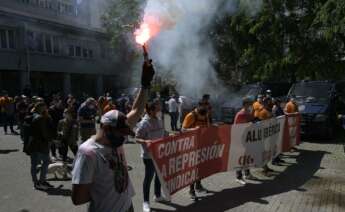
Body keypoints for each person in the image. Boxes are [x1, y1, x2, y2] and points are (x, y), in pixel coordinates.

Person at [71, 60, 155, 212]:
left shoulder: (115, 134)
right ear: (106, 128)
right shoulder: (88, 153)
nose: (123, 137)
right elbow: (78, 199)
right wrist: (104, 189)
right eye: (121, 133)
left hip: (127, 207)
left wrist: (145, 84)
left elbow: (136, 109)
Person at [135, 99, 168, 212]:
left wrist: (173, 134)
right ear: (150, 110)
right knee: (149, 178)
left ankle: (157, 196)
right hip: (149, 156)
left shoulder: (159, 119)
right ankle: (145, 202)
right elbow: (136, 138)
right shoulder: (144, 123)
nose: (159, 110)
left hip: (160, 153)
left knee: (159, 175)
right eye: (157, 108)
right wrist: (146, 142)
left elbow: (163, 133)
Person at [182, 103, 210, 200]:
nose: (203, 119)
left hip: (201, 145)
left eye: (204, 117)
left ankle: (198, 186)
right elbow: (183, 130)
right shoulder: (190, 116)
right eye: (201, 118)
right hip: (191, 145)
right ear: (197, 113)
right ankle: (191, 190)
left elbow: (207, 127)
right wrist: (194, 129)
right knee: (192, 169)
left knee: (200, 167)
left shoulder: (205, 115)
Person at [28, 102, 54, 190]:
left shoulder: (30, 116)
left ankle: (36, 183)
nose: (46, 108)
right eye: (45, 107)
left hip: (31, 143)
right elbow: (44, 133)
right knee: (46, 161)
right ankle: (42, 181)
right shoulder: (40, 118)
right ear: (41, 108)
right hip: (41, 144)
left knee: (34, 164)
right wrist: (51, 140)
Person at [233, 97, 256, 185]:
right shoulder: (240, 114)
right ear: (245, 104)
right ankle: (238, 177)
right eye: (249, 103)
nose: (250, 105)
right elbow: (236, 127)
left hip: (247, 138)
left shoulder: (248, 112)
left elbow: (251, 120)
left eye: (251, 103)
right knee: (241, 157)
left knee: (247, 156)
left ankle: (247, 173)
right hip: (240, 139)